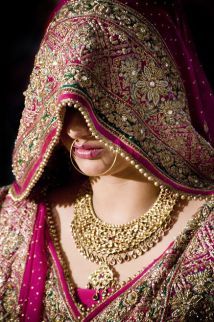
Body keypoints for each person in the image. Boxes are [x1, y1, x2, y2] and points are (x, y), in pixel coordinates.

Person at [0, 0, 213, 321]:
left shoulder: (206, 234)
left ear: (157, 92)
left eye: (101, 99)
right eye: (64, 103)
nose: (74, 127)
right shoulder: (12, 221)